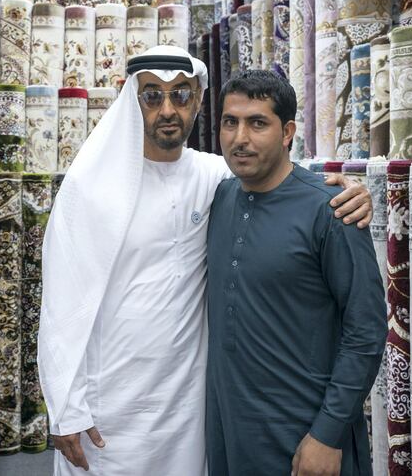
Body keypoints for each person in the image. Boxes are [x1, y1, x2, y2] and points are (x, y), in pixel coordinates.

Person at [38, 46, 374, 475]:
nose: (167, 109)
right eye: (152, 96)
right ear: (132, 101)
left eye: (180, 95)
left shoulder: (212, 176)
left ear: (197, 101)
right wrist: (66, 405)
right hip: (111, 407)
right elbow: (61, 305)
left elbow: (277, 173)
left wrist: (350, 191)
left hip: (189, 408)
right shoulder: (90, 188)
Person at [205, 70, 387, 476]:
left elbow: (367, 331)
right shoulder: (220, 196)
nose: (240, 138)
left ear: (287, 132)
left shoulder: (332, 210)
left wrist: (328, 433)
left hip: (305, 436)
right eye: (230, 122)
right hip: (232, 433)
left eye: (257, 123)